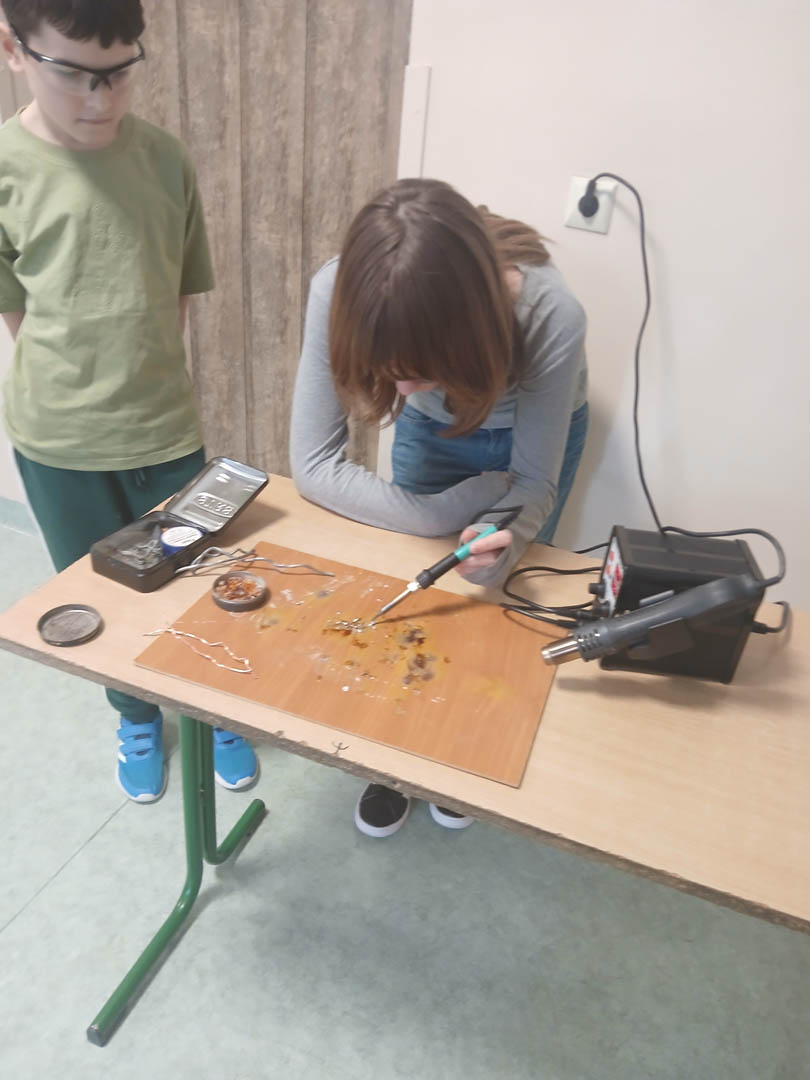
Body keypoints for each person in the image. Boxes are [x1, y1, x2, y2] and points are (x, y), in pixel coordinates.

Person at [0, 0, 257, 802]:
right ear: (13, 48)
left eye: (118, 74)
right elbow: (17, 313)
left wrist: (141, 386)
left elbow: (175, 296)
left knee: (194, 577)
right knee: (96, 595)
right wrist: (77, 388)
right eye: (74, 74)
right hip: (57, 440)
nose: (100, 99)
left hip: (164, 428)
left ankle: (213, 707)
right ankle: (137, 716)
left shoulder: (166, 159)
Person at [290, 177, 588, 837]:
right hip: (436, 432)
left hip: (538, 435)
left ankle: (462, 747)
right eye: (388, 369)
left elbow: (531, 482)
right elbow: (311, 466)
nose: (400, 388)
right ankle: (395, 761)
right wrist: (434, 515)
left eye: (419, 369)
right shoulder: (336, 289)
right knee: (420, 588)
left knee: (490, 593)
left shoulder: (551, 316)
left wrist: (501, 543)